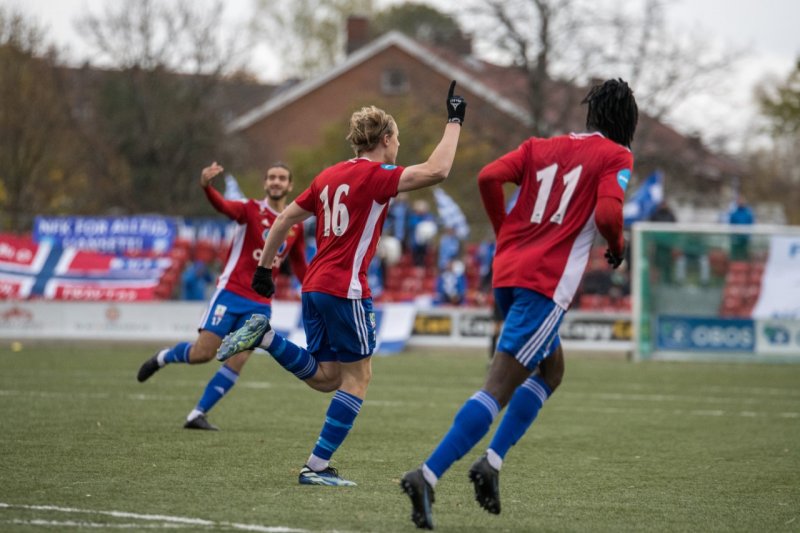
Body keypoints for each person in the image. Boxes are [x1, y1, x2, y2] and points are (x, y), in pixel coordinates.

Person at [401, 78, 638, 529]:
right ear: (627, 121)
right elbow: (608, 215)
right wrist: (618, 245)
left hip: (509, 272)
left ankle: (490, 461)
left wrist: (504, 230)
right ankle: (427, 474)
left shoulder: (539, 146)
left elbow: (488, 176)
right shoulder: (616, 155)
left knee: (552, 371)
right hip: (544, 283)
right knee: (498, 387)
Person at [215, 81, 467, 486]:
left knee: (328, 376)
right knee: (359, 377)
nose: (398, 146)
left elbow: (284, 219)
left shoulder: (329, 175)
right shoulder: (377, 175)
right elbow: (438, 170)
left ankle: (265, 339)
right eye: (397, 139)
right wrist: (454, 120)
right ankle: (314, 467)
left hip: (314, 286)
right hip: (346, 287)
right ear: (385, 139)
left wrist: (264, 269)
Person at [136, 162, 307, 430]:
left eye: (282, 178)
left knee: (238, 359)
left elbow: (299, 264)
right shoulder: (250, 209)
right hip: (230, 293)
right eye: (271, 177)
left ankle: (197, 414)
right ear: (265, 183)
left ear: (290, 185)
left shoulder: (295, 224)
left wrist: (311, 291)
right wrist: (206, 186)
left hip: (260, 303)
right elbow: (224, 207)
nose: (276, 182)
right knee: (202, 353)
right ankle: (163, 357)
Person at [729, 195, 755, 260]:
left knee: (744, 257)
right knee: (735, 257)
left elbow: (751, 224)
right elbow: (731, 225)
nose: (740, 202)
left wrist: (749, 237)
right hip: (735, 240)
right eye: (739, 201)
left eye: (742, 201)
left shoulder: (748, 214)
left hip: (745, 240)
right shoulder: (734, 214)